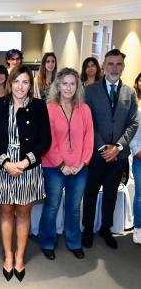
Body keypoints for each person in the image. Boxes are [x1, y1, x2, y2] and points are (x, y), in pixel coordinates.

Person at [0, 66, 51, 282]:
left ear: (30, 85)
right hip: (3, 166)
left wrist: (25, 162)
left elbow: (45, 140)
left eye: (25, 82)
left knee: (23, 214)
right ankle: (7, 256)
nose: (20, 86)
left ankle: (19, 257)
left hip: (28, 167)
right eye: (16, 82)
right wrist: (5, 163)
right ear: (9, 83)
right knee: (6, 212)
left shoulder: (39, 107)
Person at [82, 49, 139, 249]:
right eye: (111, 64)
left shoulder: (130, 93)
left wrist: (118, 147)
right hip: (96, 154)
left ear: (123, 67)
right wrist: (103, 147)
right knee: (90, 193)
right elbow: (88, 123)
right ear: (104, 66)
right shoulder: (90, 91)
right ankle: (87, 228)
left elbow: (133, 123)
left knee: (111, 194)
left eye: (118, 64)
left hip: (119, 156)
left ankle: (106, 227)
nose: (114, 68)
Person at [38, 68, 94, 260]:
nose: (69, 88)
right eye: (65, 83)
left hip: (79, 167)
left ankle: (74, 242)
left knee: (74, 206)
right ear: (58, 85)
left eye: (72, 83)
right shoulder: (49, 109)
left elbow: (89, 138)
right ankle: (47, 241)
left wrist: (82, 162)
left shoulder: (84, 109)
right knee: (52, 205)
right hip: (54, 167)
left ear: (77, 86)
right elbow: (48, 140)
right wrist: (61, 164)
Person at [130, 72, 141, 244]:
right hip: (140, 158)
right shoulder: (137, 107)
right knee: (140, 196)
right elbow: (134, 136)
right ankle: (138, 228)